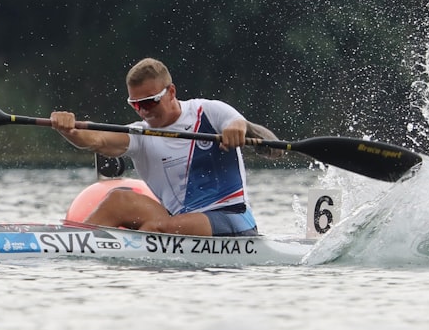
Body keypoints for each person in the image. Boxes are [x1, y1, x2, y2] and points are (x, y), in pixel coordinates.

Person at [49, 58, 283, 237]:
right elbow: (96, 140)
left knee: (157, 227)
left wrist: (239, 131)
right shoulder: (140, 134)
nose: (144, 110)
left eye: (150, 101)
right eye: (136, 104)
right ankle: (70, 243)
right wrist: (69, 130)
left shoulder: (209, 111)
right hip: (179, 220)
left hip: (232, 218)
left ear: (171, 92)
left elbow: (269, 143)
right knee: (117, 199)